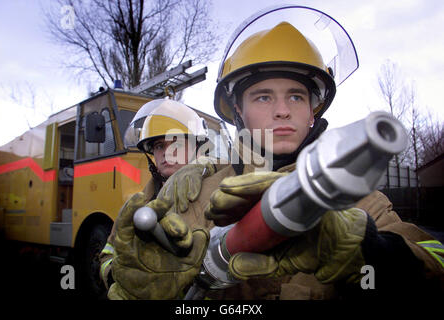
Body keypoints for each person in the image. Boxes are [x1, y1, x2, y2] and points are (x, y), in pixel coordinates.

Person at [108, 6, 444, 300]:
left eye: (297, 96)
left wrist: (367, 249)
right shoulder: (197, 193)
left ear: (314, 111)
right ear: (238, 111)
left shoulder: (359, 201)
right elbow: (136, 271)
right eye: (264, 97)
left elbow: (436, 264)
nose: (283, 111)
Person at [99, 98, 219, 291]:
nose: (167, 153)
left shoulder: (217, 192)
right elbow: (109, 253)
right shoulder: (137, 205)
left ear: (197, 148)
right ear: (151, 154)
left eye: (176, 144)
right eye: (159, 146)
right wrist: (117, 278)